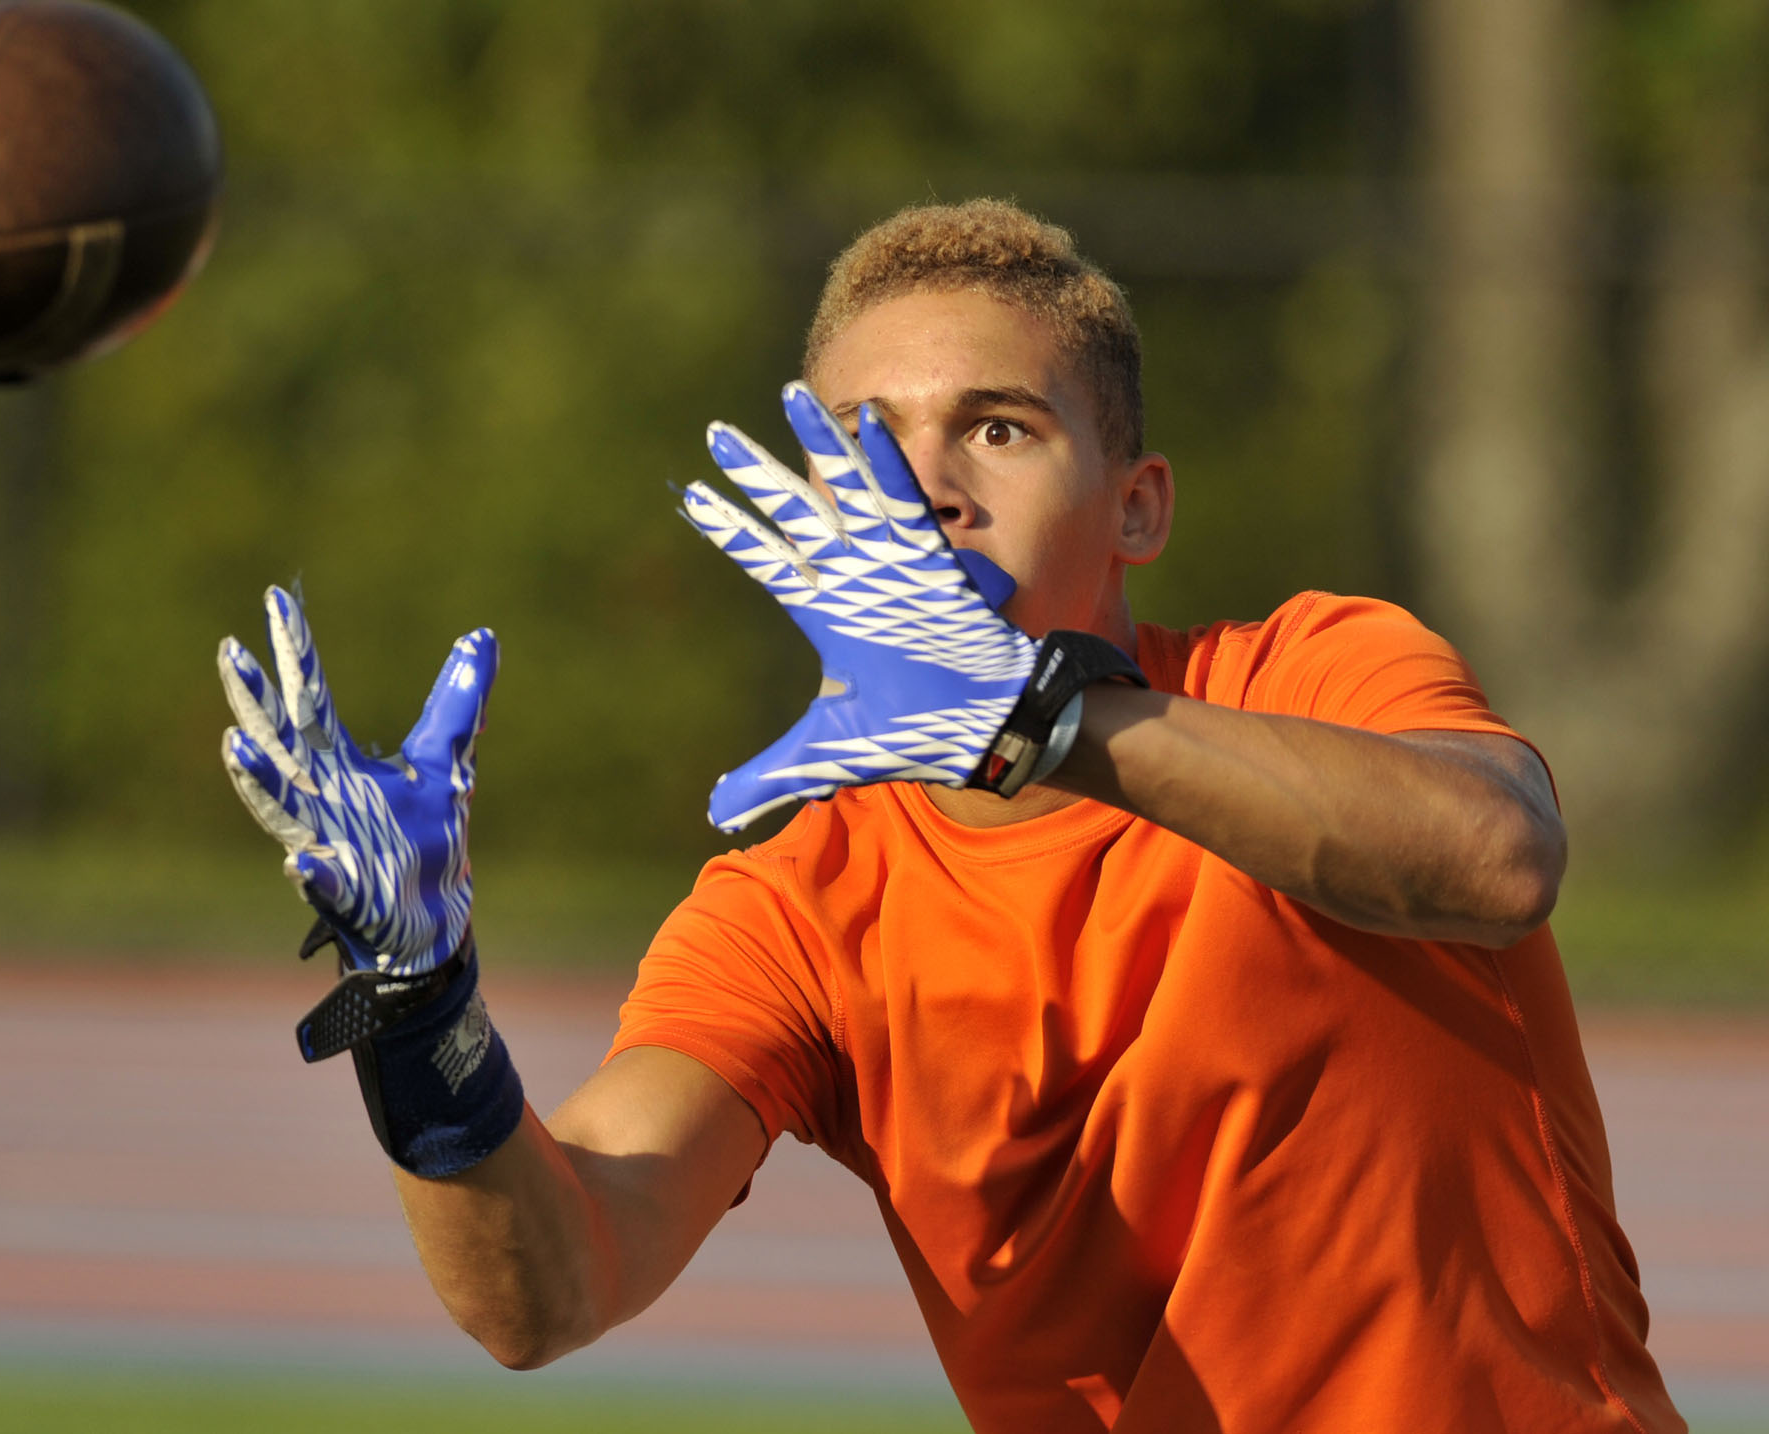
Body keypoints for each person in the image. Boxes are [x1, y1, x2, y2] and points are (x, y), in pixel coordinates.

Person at [218, 200, 1683, 1433]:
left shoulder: (1313, 670)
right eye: (865, 436)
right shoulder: (796, 907)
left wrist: (1038, 723)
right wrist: (418, 1018)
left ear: (1137, 507)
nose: (925, 486)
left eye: (998, 427)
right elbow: (552, 1284)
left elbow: (1499, 856)